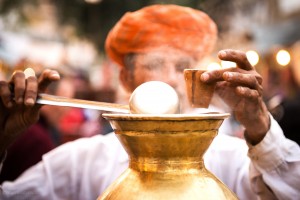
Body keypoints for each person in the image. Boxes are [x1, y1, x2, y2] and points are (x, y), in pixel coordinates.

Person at [0, 4, 299, 200]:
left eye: (182, 64)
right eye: (155, 64)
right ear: (125, 78)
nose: (170, 79)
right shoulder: (82, 162)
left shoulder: (232, 158)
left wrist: (260, 126)